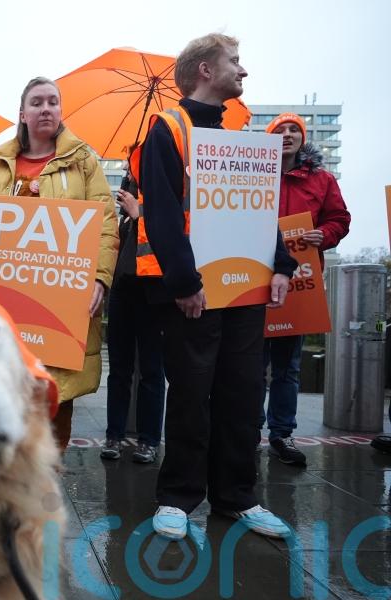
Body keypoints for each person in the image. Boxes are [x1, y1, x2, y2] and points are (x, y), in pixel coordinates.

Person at [132, 34, 298, 540]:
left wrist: (282, 264)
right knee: (190, 392)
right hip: (194, 293)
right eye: (235, 62)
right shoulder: (169, 128)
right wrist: (184, 282)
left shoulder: (241, 136)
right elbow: (160, 211)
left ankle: (237, 497)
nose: (243, 72)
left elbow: (257, 209)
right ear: (205, 69)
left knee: (244, 394)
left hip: (245, 289)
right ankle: (178, 497)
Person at [0, 76, 118, 451]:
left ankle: (44, 495)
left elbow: (105, 225)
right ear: (23, 113)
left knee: (55, 408)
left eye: (52, 102)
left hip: (61, 308)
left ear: (61, 111)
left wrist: (99, 278)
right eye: (37, 102)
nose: (45, 108)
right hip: (7, 303)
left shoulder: (83, 163)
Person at [262, 113, 351, 466]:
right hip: (253, 277)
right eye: (279, 130)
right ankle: (246, 430)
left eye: (293, 130)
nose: (286, 135)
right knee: (252, 364)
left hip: (299, 282)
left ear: (303, 138)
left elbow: (340, 219)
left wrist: (324, 235)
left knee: (288, 366)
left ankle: (281, 435)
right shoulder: (253, 174)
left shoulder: (322, 179)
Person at [101, 170, 165, 463]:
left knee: (152, 371)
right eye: (127, 179)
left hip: (153, 291)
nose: (127, 184)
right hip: (122, 289)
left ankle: (149, 440)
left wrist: (141, 215)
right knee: (119, 370)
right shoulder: (125, 209)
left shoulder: (164, 190)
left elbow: (173, 234)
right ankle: (113, 435)